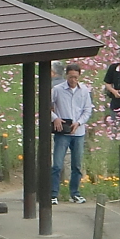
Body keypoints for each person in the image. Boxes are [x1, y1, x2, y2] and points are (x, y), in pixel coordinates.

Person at [49, 64, 93, 204]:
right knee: (57, 164)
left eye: (75, 77)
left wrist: (79, 122)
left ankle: (75, 193)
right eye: (71, 77)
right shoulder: (57, 90)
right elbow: (46, 105)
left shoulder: (84, 90)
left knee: (77, 165)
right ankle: (53, 194)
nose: (73, 80)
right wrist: (55, 118)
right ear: (66, 76)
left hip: (78, 132)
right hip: (63, 131)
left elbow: (87, 110)